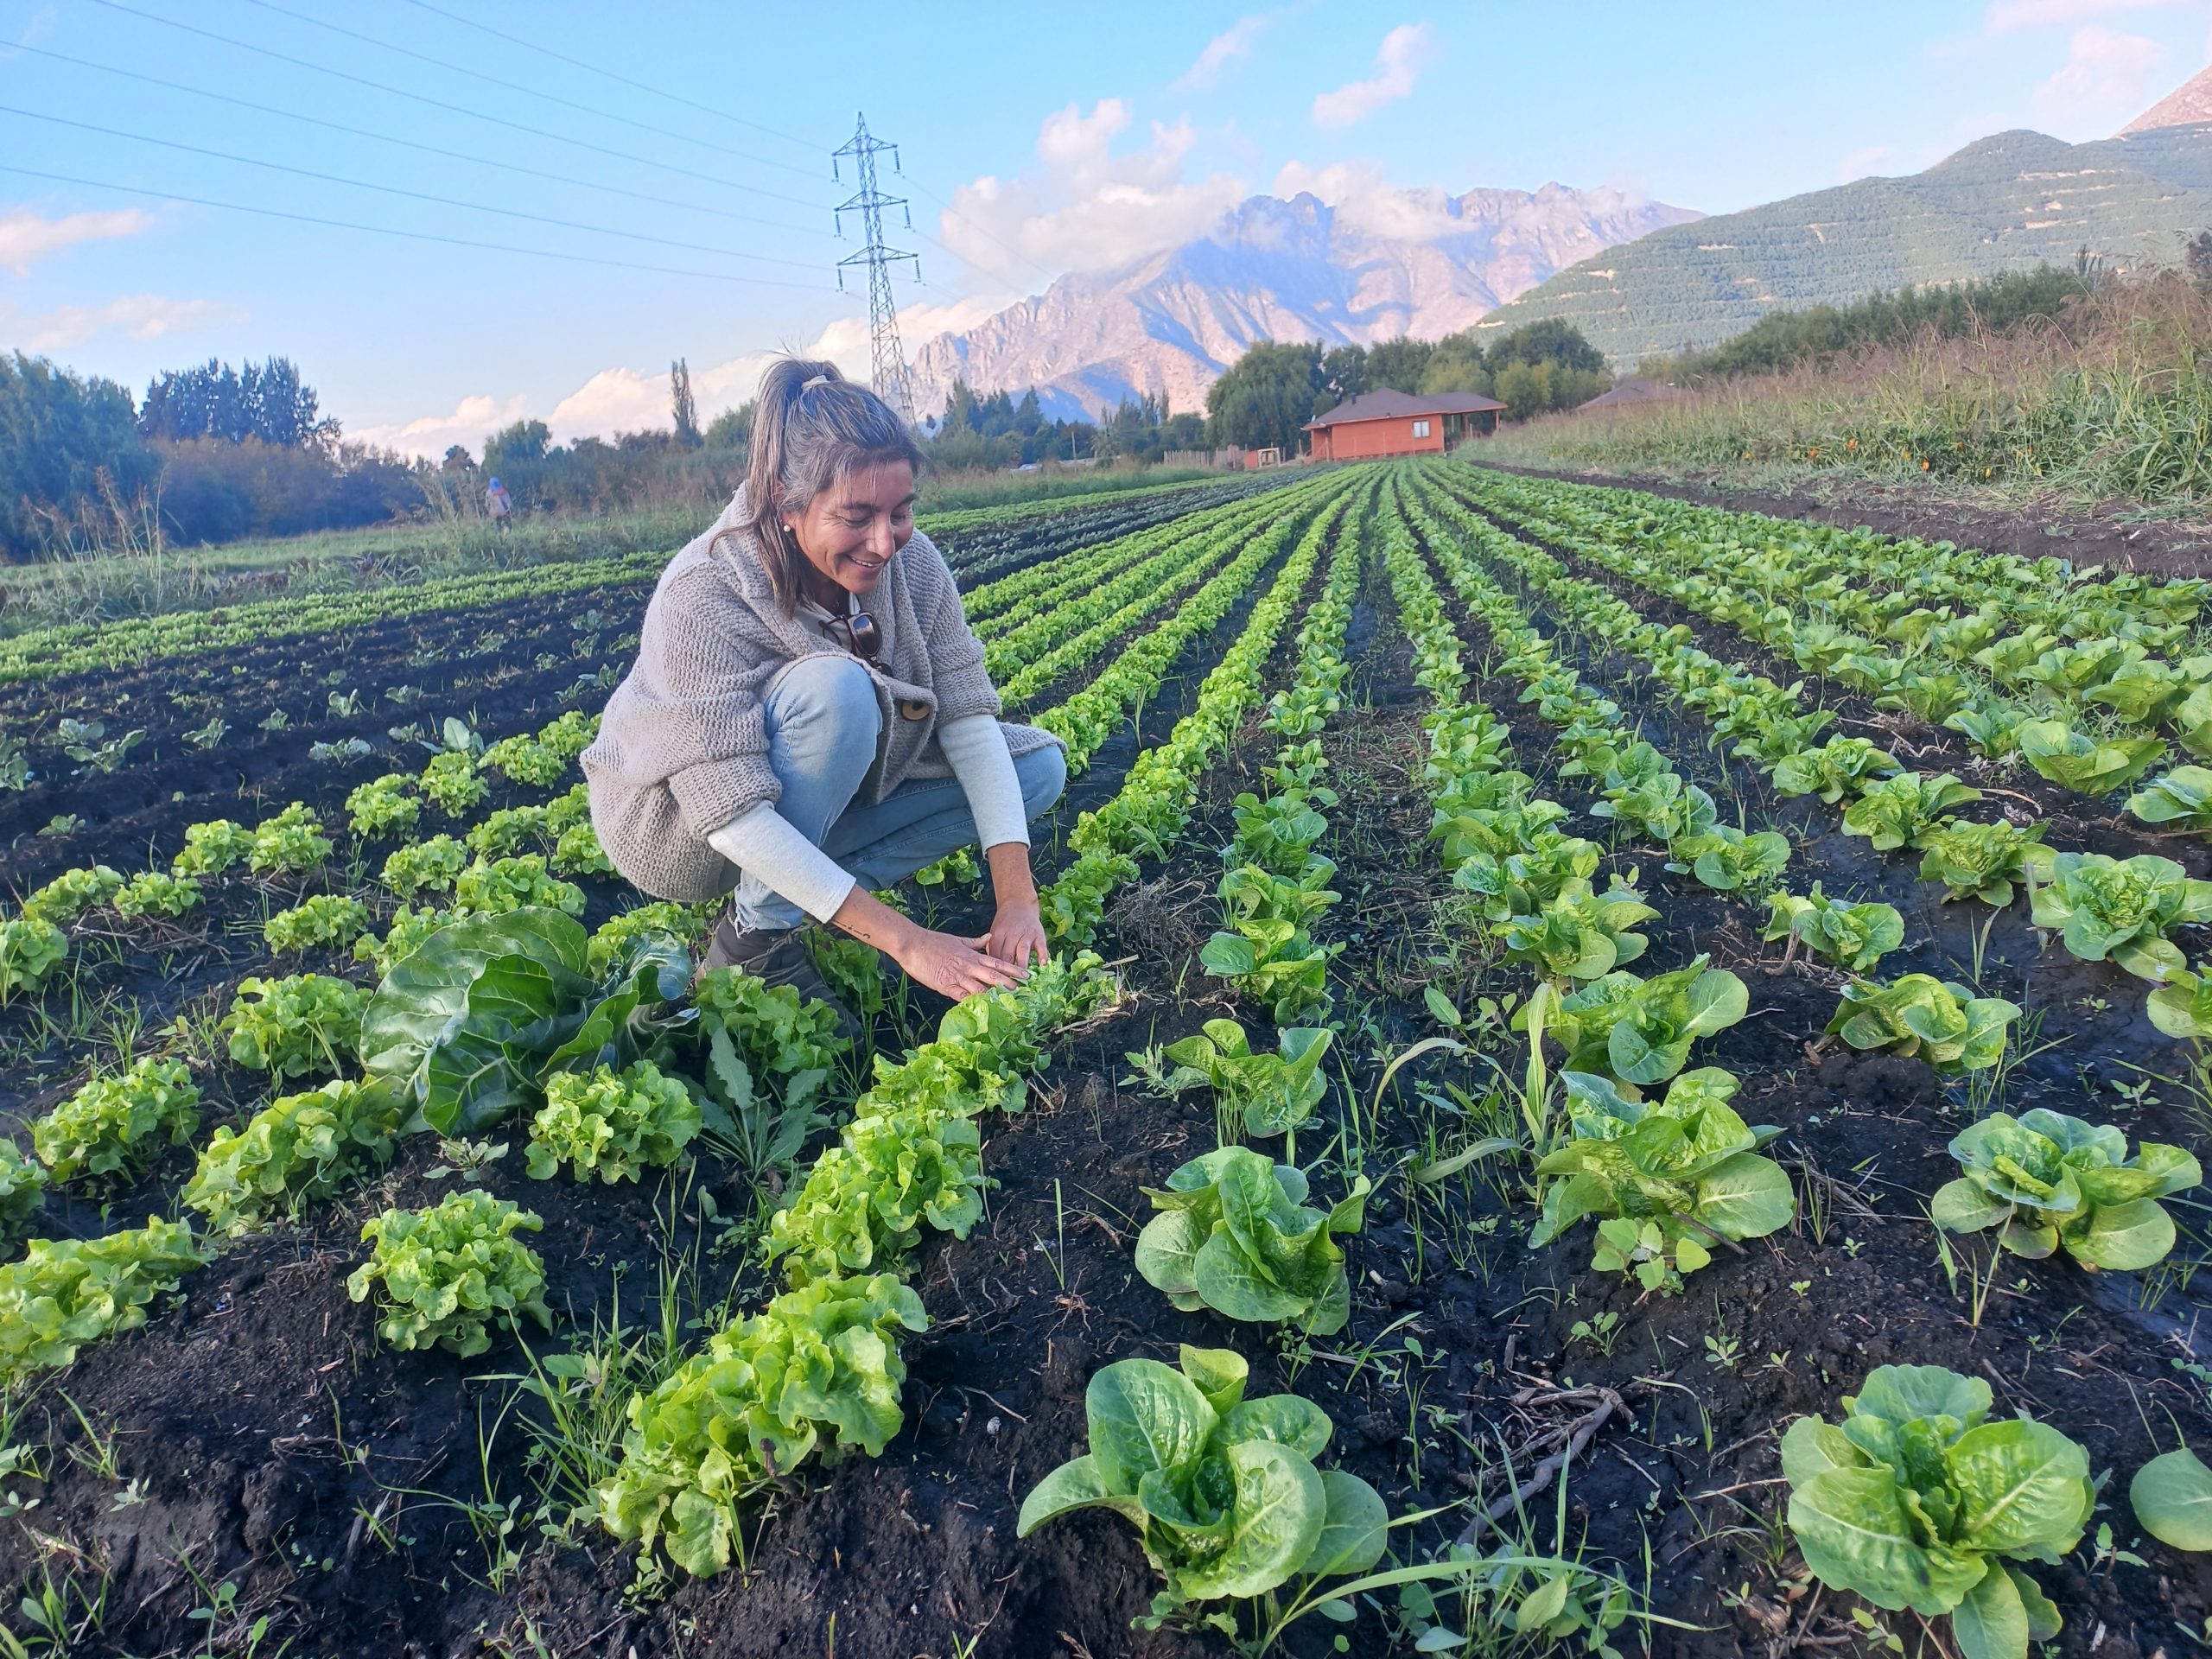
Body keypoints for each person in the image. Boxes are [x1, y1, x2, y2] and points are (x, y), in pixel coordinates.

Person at [581, 359, 1066, 1035]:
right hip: (685, 828)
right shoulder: (703, 592)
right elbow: (730, 814)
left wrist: (1017, 897)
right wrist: (908, 942)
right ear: (785, 503)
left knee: (1036, 769)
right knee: (838, 691)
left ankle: (799, 891)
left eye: (900, 512)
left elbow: (965, 715)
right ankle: (754, 940)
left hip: (807, 790)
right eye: (857, 516)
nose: (884, 542)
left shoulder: (913, 563)